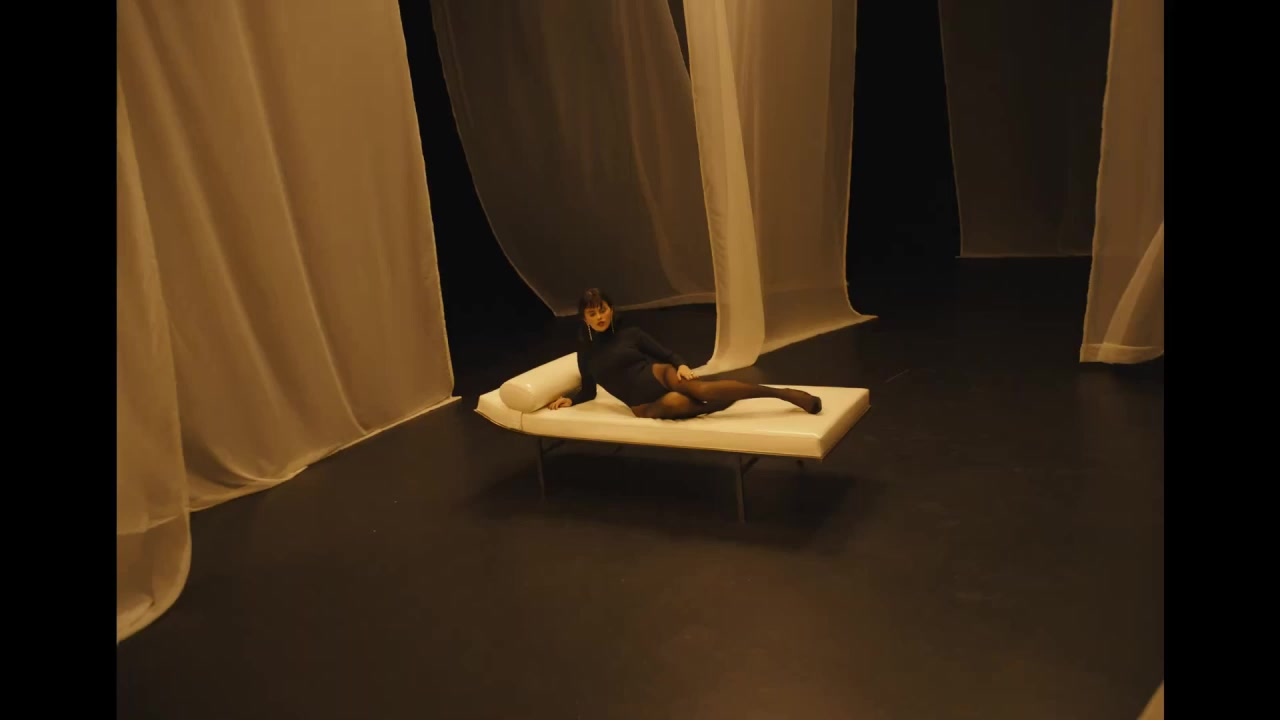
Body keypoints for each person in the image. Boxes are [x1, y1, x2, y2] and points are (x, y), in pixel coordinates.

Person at [547, 288, 823, 419]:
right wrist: (571, 400)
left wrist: (680, 365)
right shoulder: (586, 352)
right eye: (592, 313)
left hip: (658, 376)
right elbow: (589, 390)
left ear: (611, 309)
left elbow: (668, 354)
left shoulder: (630, 334)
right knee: (674, 405)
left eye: (603, 310)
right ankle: (724, 401)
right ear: (584, 318)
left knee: (700, 389)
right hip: (642, 406)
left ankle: (783, 394)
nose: (600, 317)